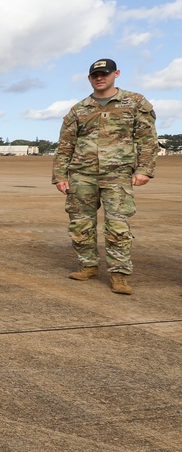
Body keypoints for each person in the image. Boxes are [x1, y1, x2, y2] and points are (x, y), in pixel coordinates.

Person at [53, 58, 158, 295]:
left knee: (118, 225)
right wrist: (60, 174)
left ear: (116, 74)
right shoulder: (79, 109)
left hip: (118, 174)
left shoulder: (135, 102)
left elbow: (147, 139)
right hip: (82, 175)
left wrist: (144, 169)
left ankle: (119, 274)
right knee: (80, 223)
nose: (100, 78)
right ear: (89, 78)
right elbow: (65, 144)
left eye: (105, 73)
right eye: (95, 75)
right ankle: (88, 266)